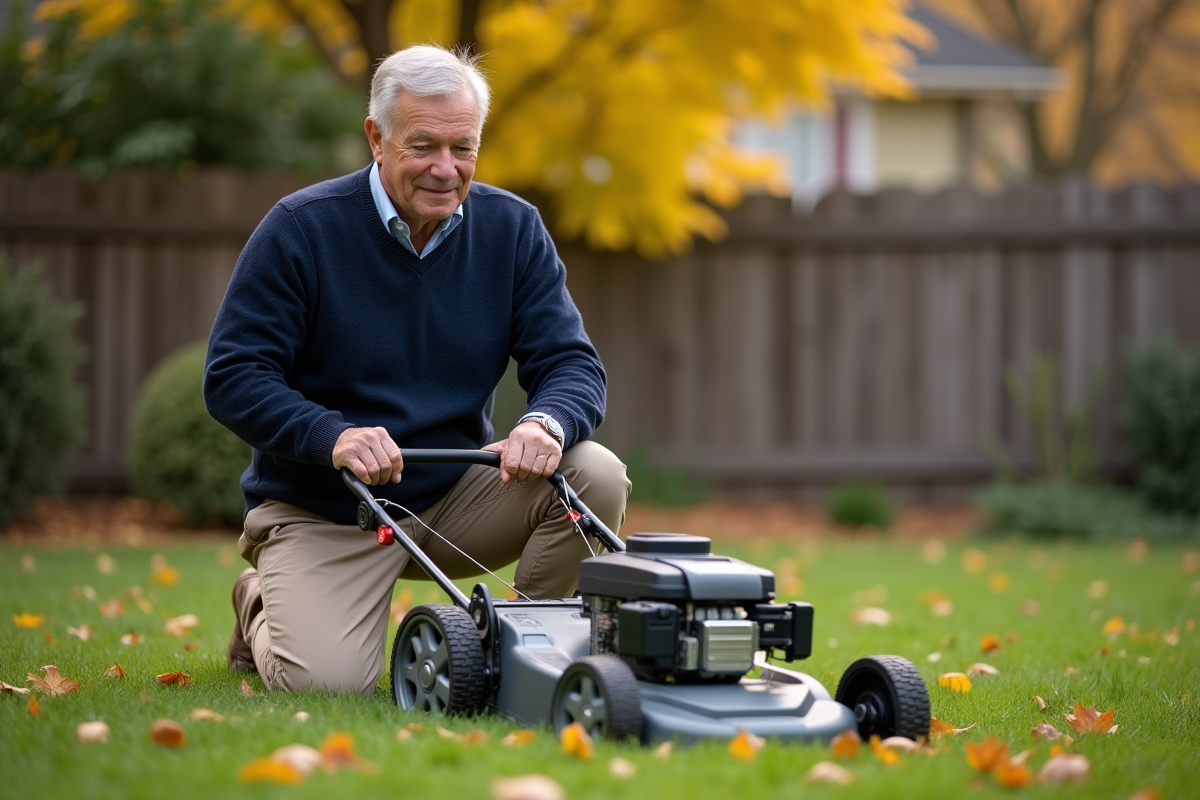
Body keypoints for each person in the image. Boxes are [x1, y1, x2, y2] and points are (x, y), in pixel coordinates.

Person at [203, 44, 631, 696]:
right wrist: (332, 436)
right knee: (326, 685)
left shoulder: (513, 230)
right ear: (377, 138)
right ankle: (259, 601)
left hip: (456, 497)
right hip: (326, 509)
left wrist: (545, 423)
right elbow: (234, 374)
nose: (445, 168)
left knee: (595, 473)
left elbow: (571, 361)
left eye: (463, 147)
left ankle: (522, 656)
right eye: (423, 146)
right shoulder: (300, 229)